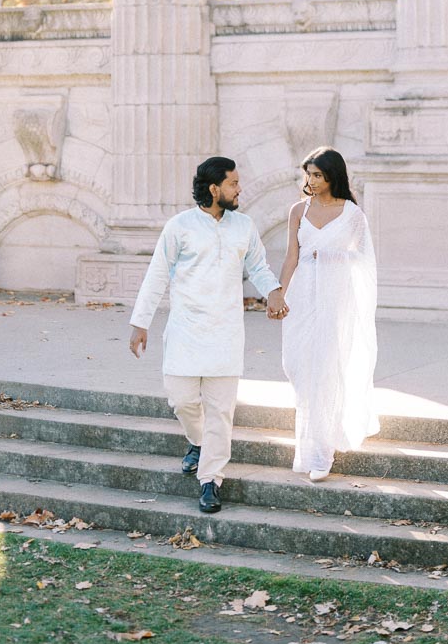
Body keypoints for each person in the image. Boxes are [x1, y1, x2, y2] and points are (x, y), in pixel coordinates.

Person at [128, 156, 287, 514]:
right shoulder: (180, 226)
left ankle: (210, 480)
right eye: (233, 183)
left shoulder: (243, 225)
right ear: (214, 189)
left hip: (226, 332)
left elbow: (258, 265)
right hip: (185, 330)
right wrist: (141, 323)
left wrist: (273, 291)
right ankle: (197, 442)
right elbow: (157, 275)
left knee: (220, 410)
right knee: (181, 400)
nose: (239, 189)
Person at [273, 147, 378, 481]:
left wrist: (334, 261)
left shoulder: (352, 215)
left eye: (318, 175)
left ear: (333, 175)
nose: (312, 181)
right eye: (309, 175)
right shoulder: (298, 211)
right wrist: (278, 293)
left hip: (336, 298)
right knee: (298, 365)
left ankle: (320, 453)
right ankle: (316, 439)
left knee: (326, 368)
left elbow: (363, 260)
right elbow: (292, 257)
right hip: (302, 296)